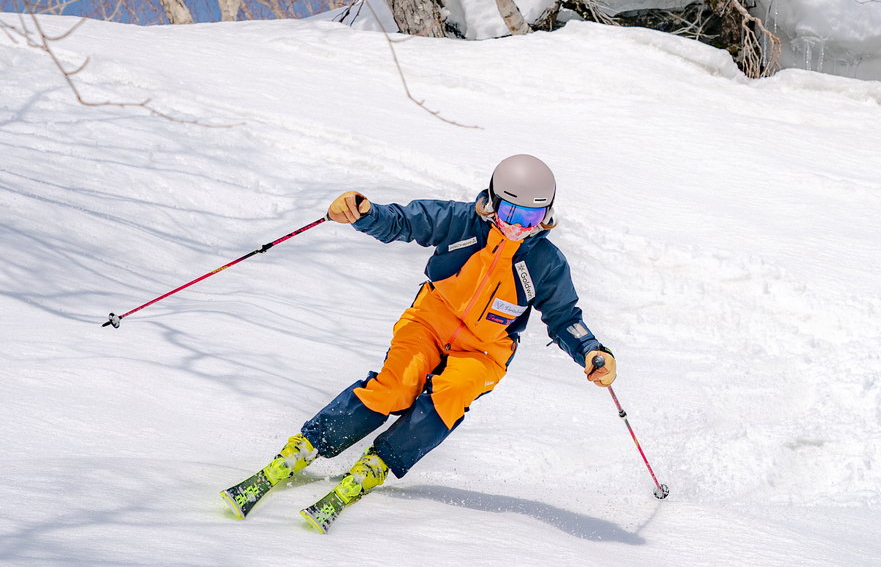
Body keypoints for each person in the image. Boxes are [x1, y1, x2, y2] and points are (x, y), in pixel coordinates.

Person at [222, 154, 615, 532]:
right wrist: (364, 212)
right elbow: (405, 221)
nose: (518, 226)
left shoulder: (546, 261)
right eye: (511, 213)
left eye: (531, 217)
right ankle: (306, 447)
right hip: (430, 321)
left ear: (546, 214)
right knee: (395, 386)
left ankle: (377, 464)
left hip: (484, 349)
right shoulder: (461, 222)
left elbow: (564, 317)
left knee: (449, 396)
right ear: (493, 202)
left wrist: (591, 350)